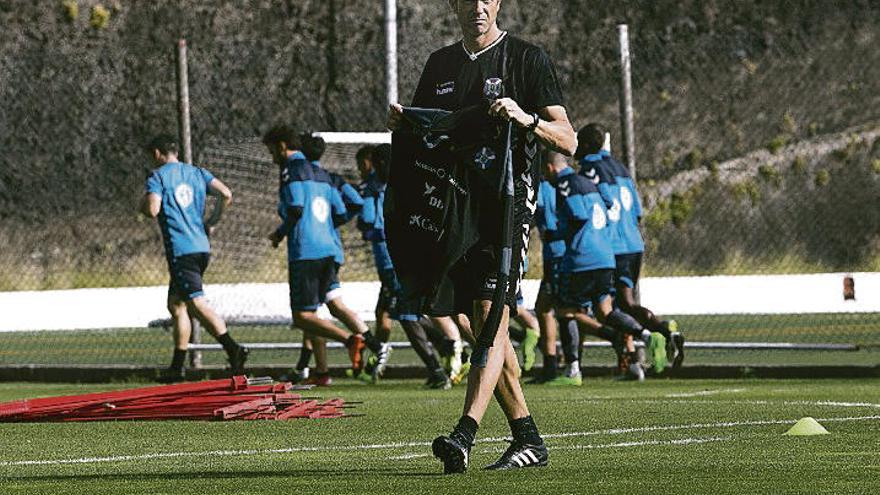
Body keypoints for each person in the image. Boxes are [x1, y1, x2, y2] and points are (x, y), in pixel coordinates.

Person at [387, 0, 577, 473]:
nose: (477, 6)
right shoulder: (440, 64)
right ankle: (527, 438)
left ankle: (464, 432)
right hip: (457, 208)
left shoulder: (527, 59)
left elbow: (568, 139)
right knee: (479, 322)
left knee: (491, 318)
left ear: (497, 4)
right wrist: (404, 122)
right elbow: (430, 128)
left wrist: (526, 118)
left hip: (506, 205)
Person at [263, 125, 390, 381]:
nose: (271, 157)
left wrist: (279, 234)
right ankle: (329, 366)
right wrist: (328, 224)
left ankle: (351, 341)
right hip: (330, 249)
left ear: (281, 146)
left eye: (271, 151)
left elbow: (296, 208)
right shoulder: (324, 175)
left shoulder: (291, 170)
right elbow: (350, 205)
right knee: (331, 306)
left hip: (306, 252)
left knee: (303, 316)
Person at [576, 123, 684, 371]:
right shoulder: (621, 169)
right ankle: (653, 341)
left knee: (607, 309)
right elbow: (637, 212)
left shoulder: (590, 170)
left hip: (611, 247)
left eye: (579, 143)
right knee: (625, 304)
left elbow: (599, 206)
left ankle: (653, 337)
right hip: (633, 244)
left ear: (587, 145)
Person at [140, 134, 248, 383]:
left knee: (196, 304)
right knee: (176, 305)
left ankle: (234, 348)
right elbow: (226, 194)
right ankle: (177, 368)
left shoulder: (158, 177)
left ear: (157, 154)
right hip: (201, 247)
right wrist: (212, 220)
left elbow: (152, 210)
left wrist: (142, 203)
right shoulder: (198, 172)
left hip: (181, 250)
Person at [551, 151, 663, 383]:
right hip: (606, 256)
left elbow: (578, 214)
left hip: (582, 257)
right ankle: (646, 335)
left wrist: (557, 231)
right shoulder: (588, 181)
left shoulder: (564, 184)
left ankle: (573, 370)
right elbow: (609, 203)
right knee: (606, 311)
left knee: (565, 311)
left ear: (550, 168)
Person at [357, 143, 458, 389]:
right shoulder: (408, 182)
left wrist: (368, 226)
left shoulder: (378, 189)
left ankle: (437, 371)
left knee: (407, 315)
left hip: (394, 262)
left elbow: (369, 220)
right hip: (408, 258)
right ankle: (444, 346)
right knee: (400, 312)